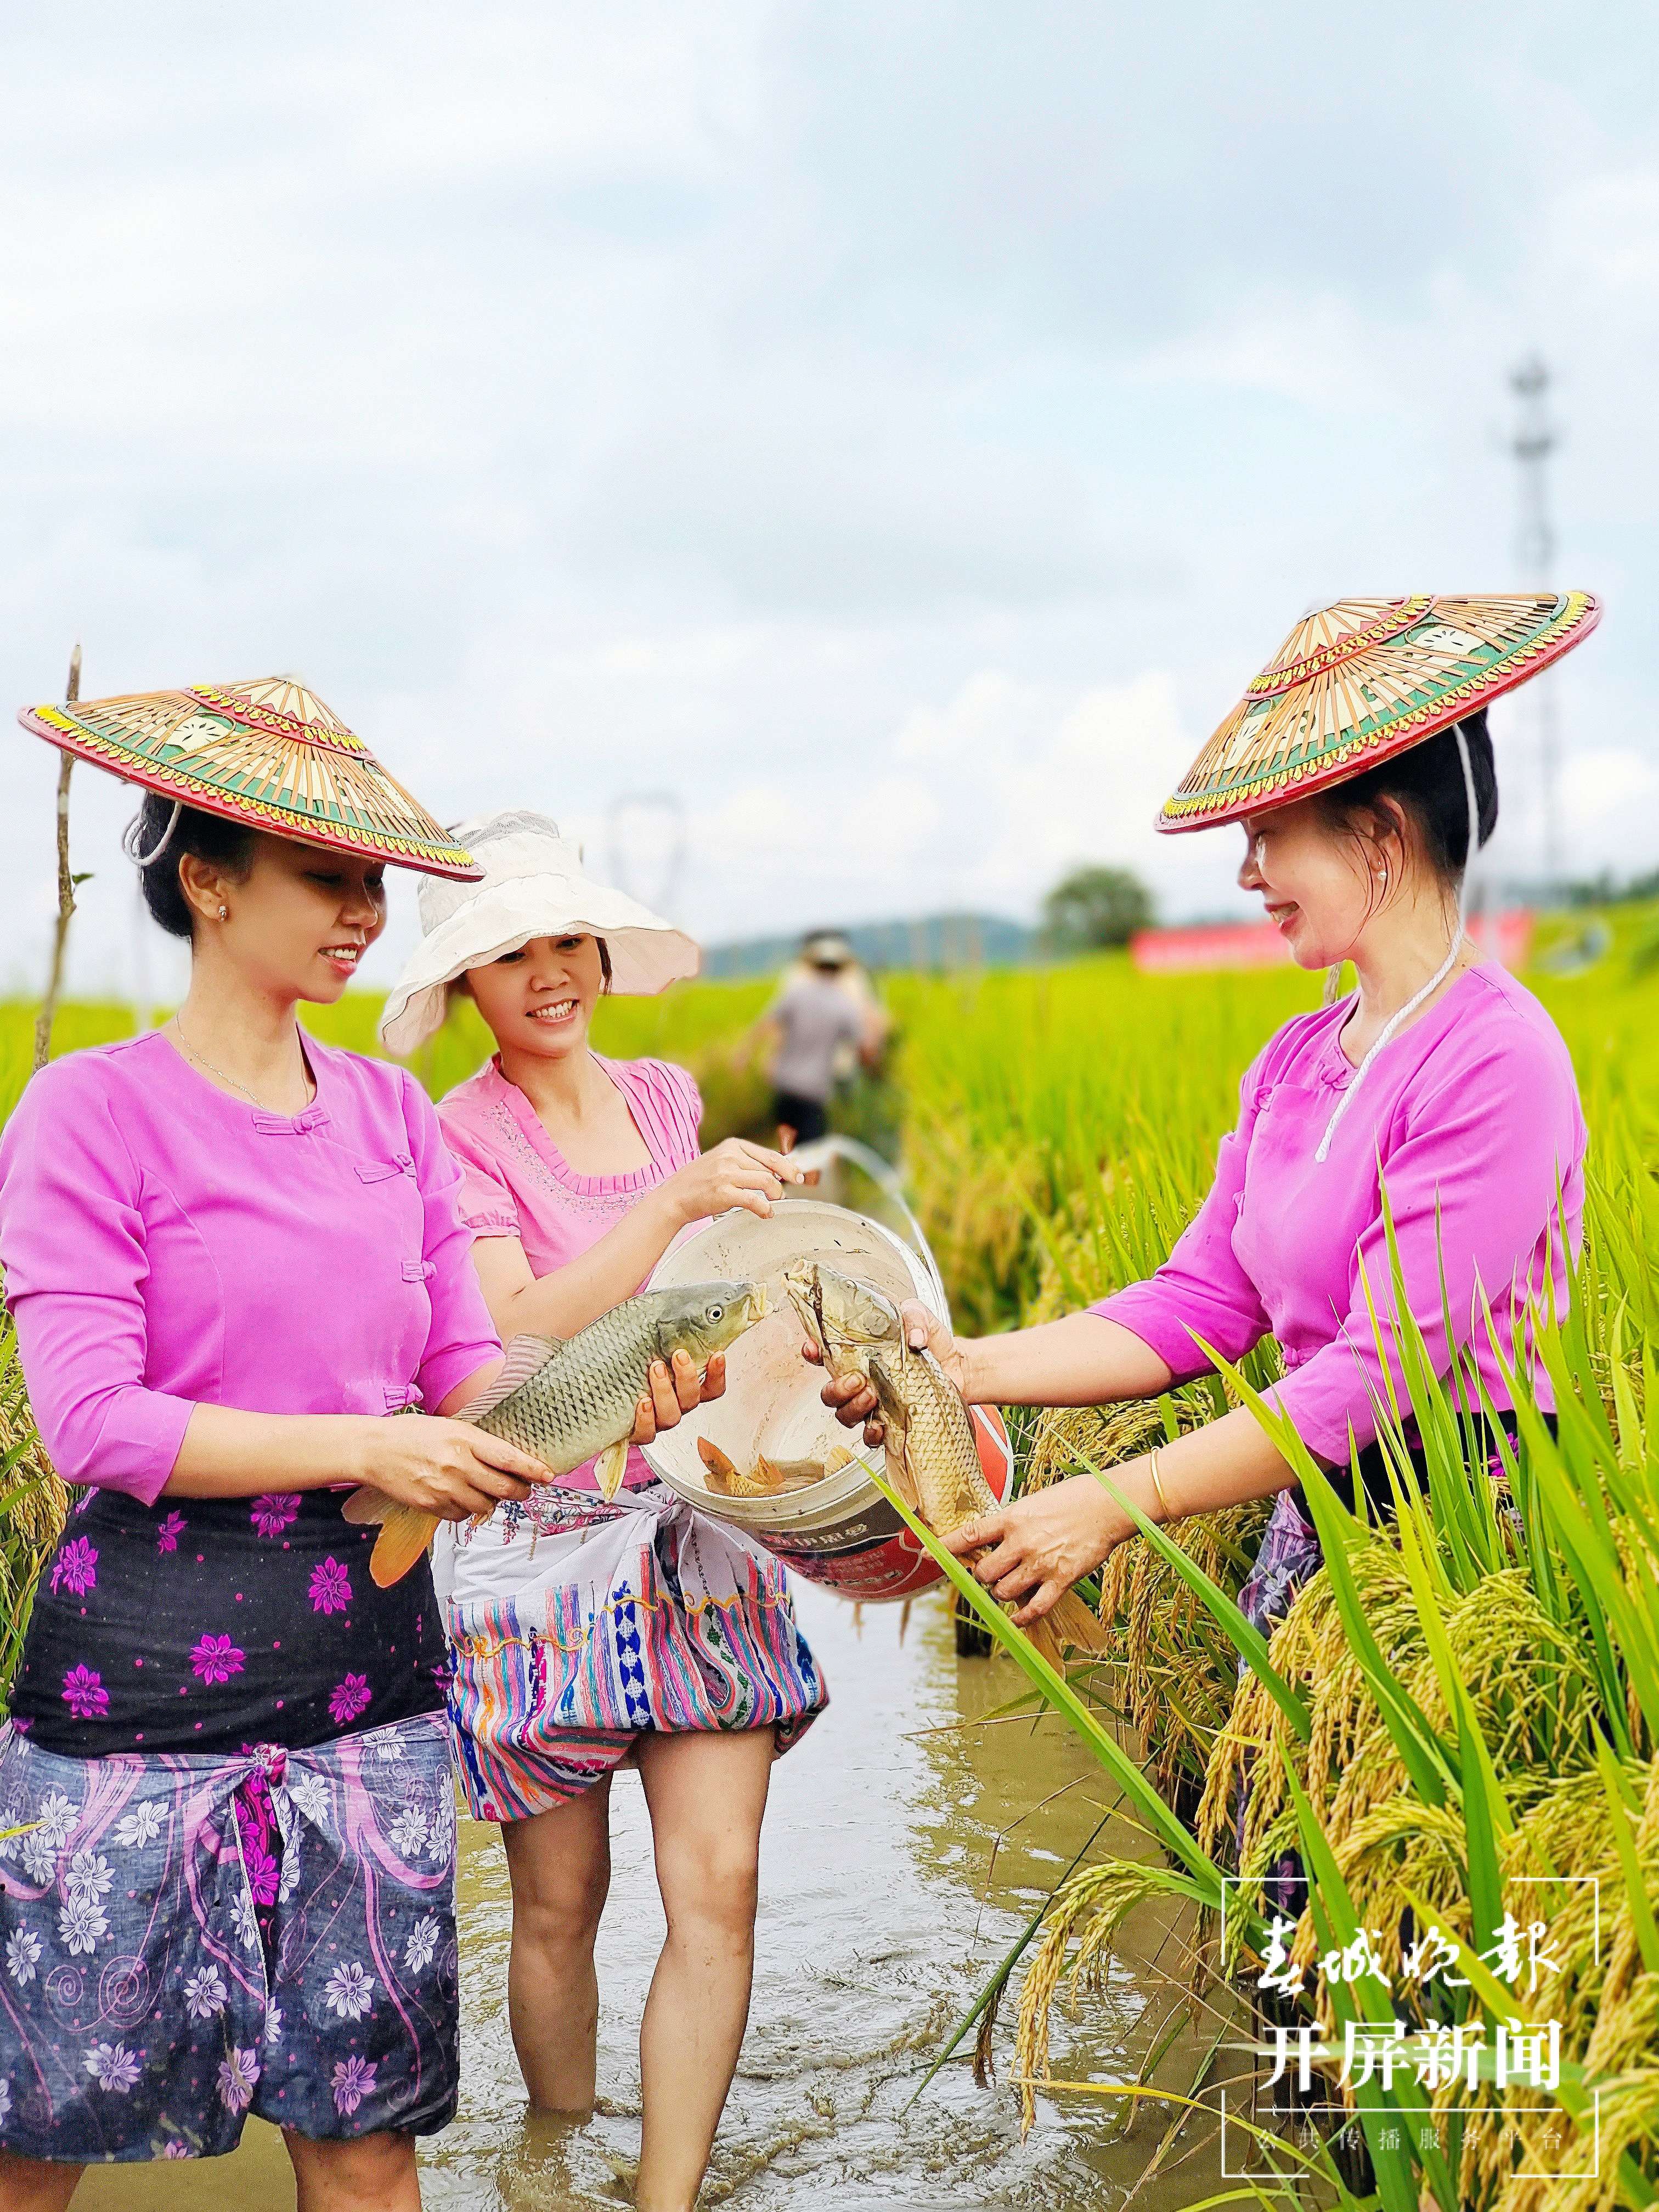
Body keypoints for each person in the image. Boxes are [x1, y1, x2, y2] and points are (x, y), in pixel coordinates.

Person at [0, 678, 555, 2209]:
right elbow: (94, 1421)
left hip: (371, 1685)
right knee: (44, 2130)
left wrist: (618, 1390)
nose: (365, 911)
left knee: (369, 2150)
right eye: (327, 877)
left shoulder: (393, 1115)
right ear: (208, 880)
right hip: (139, 1695)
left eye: (373, 880)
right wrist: (364, 1449)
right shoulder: (88, 1112)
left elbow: (466, 1374)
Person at [814, 592, 1601, 1645]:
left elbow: (1376, 1376)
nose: (1246, 876)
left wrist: (1109, 1501)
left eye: (1266, 837)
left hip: (1456, 1554)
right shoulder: (1295, 1058)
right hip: (1318, 1516)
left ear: (1378, 835)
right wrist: (961, 1367)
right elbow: (1199, 1299)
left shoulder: (1493, 1060)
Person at [379, 810, 827, 2212]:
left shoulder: (665, 1095)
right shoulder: (456, 1135)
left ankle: (663, 2197)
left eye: (568, 939)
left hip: (699, 1521)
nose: (548, 972)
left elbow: (713, 1291)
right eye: (509, 952)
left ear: (602, 951)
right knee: (560, 1905)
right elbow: (513, 1330)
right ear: (466, 983)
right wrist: (670, 1208)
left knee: (721, 1885)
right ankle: (557, 2156)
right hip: (542, 1544)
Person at [757, 931, 884, 1144]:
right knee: (811, 1154)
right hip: (813, 1093)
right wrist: (875, 1064)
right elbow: (865, 1047)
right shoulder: (843, 1004)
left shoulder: (797, 994)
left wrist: (748, 1055)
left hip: (785, 1087)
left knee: (786, 1149)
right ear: (840, 969)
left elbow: (768, 1025)